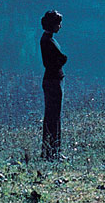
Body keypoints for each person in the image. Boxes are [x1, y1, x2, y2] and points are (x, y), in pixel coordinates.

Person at [40, 10, 67, 160]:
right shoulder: (48, 41)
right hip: (53, 81)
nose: (60, 26)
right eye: (59, 23)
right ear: (53, 24)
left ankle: (52, 151)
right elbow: (57, 60)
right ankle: (51, 152)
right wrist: (63, 59)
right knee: (53, 117)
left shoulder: (48, 39)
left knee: (53, 116)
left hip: (53, 79)